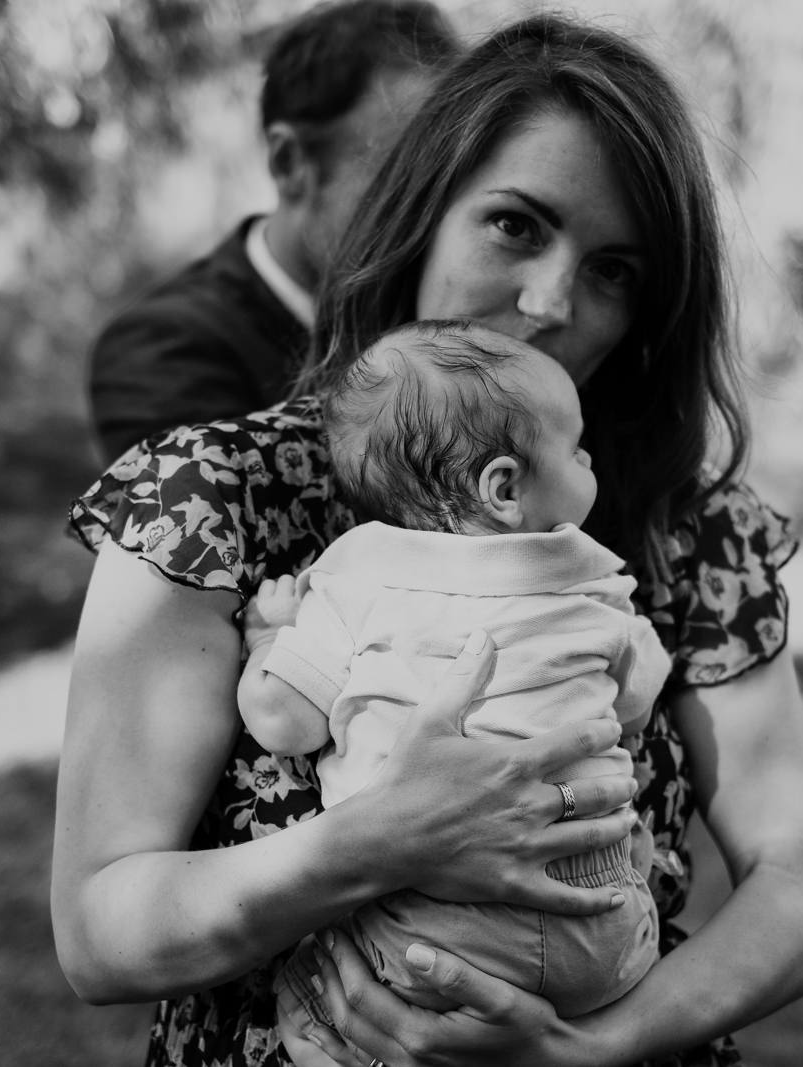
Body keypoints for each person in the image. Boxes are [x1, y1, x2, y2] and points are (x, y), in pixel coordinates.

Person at [56, 14, 803, 1067]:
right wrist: (370, 843)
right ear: (420, 214)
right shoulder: (217, 498)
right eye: (516, 226)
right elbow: (101, 930)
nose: (551, 301)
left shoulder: (684, 529)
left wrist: (591, 1045)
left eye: (614, 270)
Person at [238, 320, 668, 1021]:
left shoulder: (354, 582)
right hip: (595, 903)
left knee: (324, 1002)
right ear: (504, 487)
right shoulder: (593, 587)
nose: (591, 459)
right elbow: (632, 704)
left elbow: (283, 721)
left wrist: (267, 637)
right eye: (576, 448)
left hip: (428, 920)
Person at [86, 0, 460, 462]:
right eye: (399, 179)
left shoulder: (446, 313)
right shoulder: (161, 352)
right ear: (289, 163)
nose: (429, 215)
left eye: (449, 185)